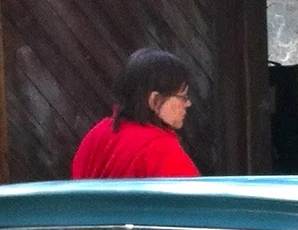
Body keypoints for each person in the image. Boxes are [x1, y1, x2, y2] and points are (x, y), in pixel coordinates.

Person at [71, 49, 201, 179]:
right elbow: (193, 198)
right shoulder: (161, 150)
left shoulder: (97, 134)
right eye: (182, 96)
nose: (188, 103)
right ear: (154, 100)